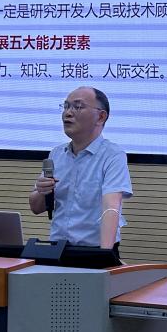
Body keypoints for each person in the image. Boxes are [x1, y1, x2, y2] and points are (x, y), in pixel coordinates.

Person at [29, 86, 132, 250]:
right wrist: (41, 191)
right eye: (66, 106)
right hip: (58, 249)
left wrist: (104, 255)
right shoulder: (56, 154)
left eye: (77, 107)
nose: (67, 113)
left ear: (101, 117)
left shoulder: (113, 155)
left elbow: (111, 207)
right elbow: (36, 208)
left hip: (95, 251)